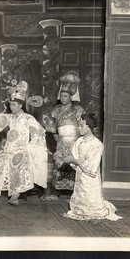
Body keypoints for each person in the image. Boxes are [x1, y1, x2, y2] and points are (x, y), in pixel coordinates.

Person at [0, 81, 48, 206]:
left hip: (22, 150)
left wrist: (31, 147)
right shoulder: (9, 117)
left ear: (20, 105)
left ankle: (15, 195)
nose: (12, 107)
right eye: (10, 105)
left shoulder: (28, 118)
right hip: (8, 148)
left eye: (14, 105)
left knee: (17, 167)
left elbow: (39, 132)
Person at [62, 114, 122, 221]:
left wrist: (73, 160)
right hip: (80, 173)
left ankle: (96, 209)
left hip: (90, 176)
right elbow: (74, 155)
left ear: (89, 127)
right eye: (78, 125)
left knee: (90, 195)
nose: (78, 128)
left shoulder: (97, 144)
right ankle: (79, 208)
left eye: (81, 126)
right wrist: (71, 159)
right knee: (80, 192)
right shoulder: (79, 141)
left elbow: (91, 166)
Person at [42, 72, 85, 200]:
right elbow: (51, 125)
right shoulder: (56, 110)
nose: (63, 98)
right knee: (60, 165)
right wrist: (56, 137)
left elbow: (82, 125)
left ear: (71, 97)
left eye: (65, 96)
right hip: (61, 141)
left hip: (75, 141)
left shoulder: (78, 110)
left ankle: (75, 192)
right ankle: (58, 191)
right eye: (61, 95)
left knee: (73, 165)